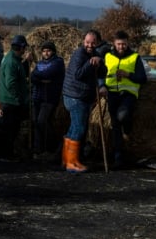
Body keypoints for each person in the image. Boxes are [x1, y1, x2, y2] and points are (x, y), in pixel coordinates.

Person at [62, 30, 108, 173]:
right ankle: (71, 163)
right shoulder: (79, 54)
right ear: (84, 42)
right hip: (75, 96)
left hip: (83, 96)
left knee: (74, 128)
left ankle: (66, 159)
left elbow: (102, 73)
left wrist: (99, 63)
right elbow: (78, 74)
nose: (89, 45)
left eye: (93, 43)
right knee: (79, 128)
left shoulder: (96, 54)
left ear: (97, 43)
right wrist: (90, 63)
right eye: (87, 42)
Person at [104, 31, 148, 169]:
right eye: (118, 44)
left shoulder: (135, 57)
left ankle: (128, 128)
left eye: (123, 44)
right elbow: (101, 74)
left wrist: (128, 74)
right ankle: (118, 158)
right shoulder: (107, 56)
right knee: (115, 126)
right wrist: (101, 86)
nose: (121, 47)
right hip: (111, 93)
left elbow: (143, 78)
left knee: (122, 116)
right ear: (114, 43)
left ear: (127, 43)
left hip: (128, 94)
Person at [0, 35, 31, 161]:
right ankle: (6, 155)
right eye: (24, 48)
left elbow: (19, 73)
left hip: (10, 100)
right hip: (11, 101)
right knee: (9, 130)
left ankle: (8, 154)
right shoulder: (11, 62)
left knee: (10, 129)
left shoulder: (14, 59)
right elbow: (11, 83)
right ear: (21, 47)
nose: (24, 50)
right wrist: (19, 99)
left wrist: (26, 63)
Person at [30, 41, 65, 158]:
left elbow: (48, 73)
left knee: (42, 122)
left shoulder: (58, 62)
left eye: (48, 51)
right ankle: (38, 149)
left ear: (53, 51)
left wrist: (39, 77)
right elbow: (32, 77)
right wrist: (41, 79)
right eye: (44, 51)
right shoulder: (39, 63)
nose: (46, 53)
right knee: (36, 122)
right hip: (37, 96)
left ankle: (53, 147)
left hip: (49, 97)